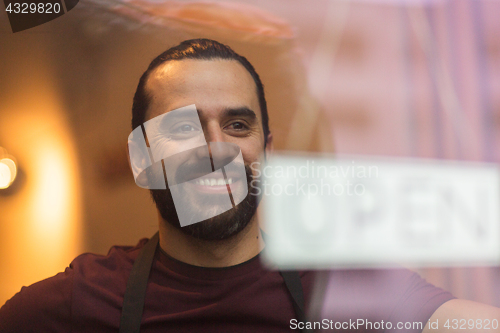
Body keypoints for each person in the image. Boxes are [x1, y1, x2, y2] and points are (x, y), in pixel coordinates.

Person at [0, 38, 499, 333]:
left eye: (238, 126)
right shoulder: (77, 304)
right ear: (142, 160)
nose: (218, 149)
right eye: (183, 128)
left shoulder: (343, 290)